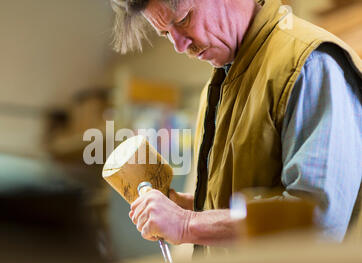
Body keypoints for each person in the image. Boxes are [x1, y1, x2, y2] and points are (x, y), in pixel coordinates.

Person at [110, 0, 362, 249]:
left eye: (184, 19)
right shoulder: (219, 85)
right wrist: (186, 207)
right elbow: (239, 203)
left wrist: (188, 224)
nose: (178, 45)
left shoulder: (310, 64)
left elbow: (317, 224)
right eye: (166, 33)